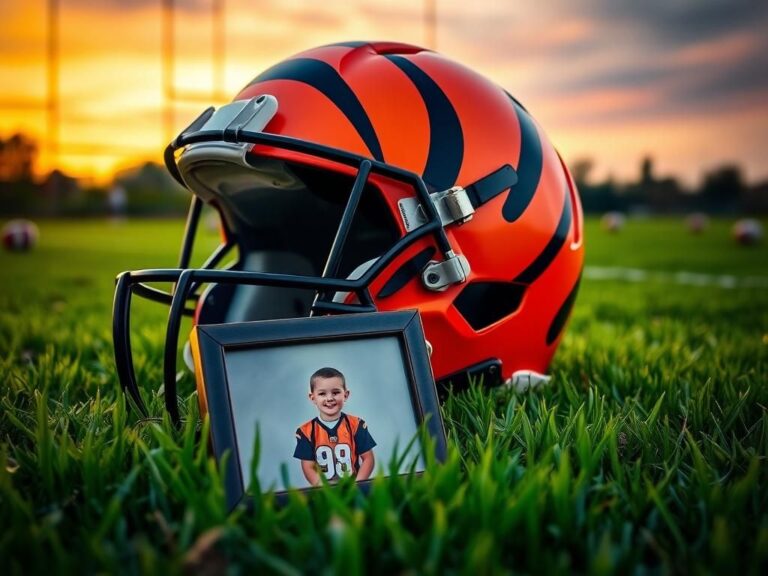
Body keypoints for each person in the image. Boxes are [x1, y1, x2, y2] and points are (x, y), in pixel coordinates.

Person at [293, 367, 376, 486]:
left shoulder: (356, 424)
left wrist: (358, 486)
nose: (329, 398)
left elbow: (368, 459)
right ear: (313, 398)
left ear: (346, 395)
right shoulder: (306, 431)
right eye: (322, 393)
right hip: (324, 491)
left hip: (352, 487)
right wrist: (324, 489)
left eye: (335, 392)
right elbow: (308, 466)